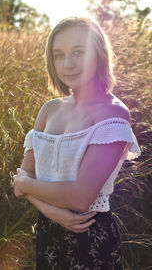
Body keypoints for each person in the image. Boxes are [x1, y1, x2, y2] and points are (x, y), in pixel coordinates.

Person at [13, 17, 141, 269]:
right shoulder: (49, 109)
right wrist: (52, 212)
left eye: (78, 52)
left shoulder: (113, 114)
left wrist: (27, 184)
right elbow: (20, 186)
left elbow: (80, 198)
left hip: (89, 237)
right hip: (49, 232)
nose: (68, 64)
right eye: (58, 55)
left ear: (99, 53)